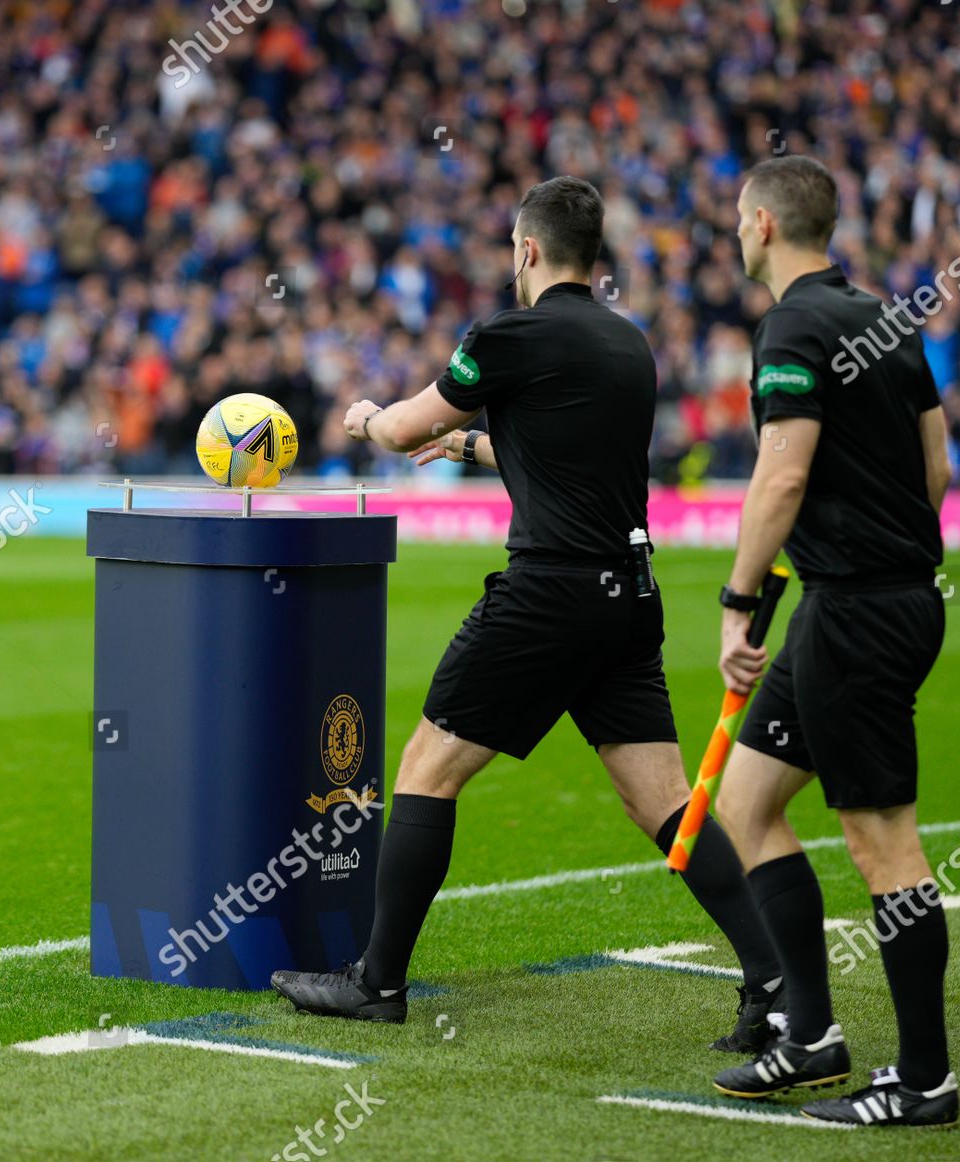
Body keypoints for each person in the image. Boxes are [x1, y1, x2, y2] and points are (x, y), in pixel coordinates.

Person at [270, 176, 785, 1052]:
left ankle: (376, 981)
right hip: (628, 594)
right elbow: (563, 449)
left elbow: (398, 431)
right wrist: (471, 442)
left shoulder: (505, 335)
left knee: (428, 767)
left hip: (549, 592)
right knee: (665, 803)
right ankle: (773, 984)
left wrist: (365, 418)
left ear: (528, 250)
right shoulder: (630, 345)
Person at [704, 156, 959, 1128]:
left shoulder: (793, 325)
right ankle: (811, 1037)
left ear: (765, 224)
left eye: (738, 217)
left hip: (858, 610)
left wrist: (738, 599)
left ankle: (926, 1079)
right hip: (863, 598)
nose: (735, 232)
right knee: (749, 797)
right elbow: (936, 462)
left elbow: (779, 478)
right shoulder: (886, 318)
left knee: (882, 841)